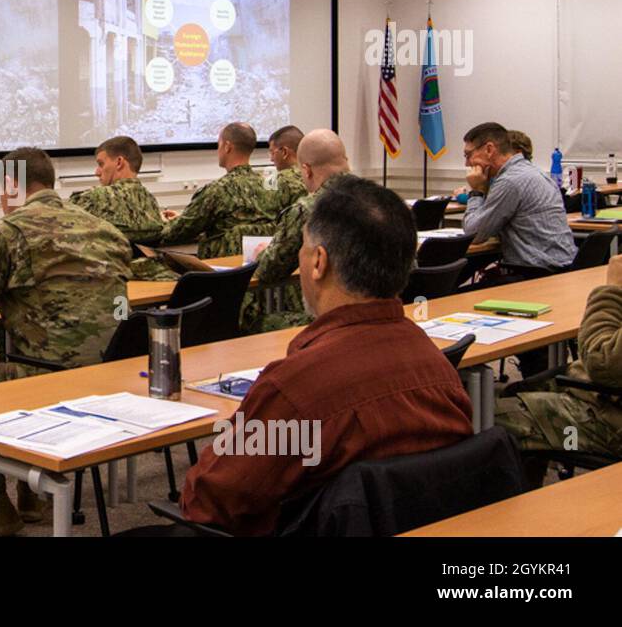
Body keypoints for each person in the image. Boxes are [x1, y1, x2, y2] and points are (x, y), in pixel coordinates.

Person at [178, 176, 473, 536]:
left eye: (302, 250)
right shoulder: (437, 365)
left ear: (318, 262)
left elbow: (209, 504)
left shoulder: (295, 387)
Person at [0, 147, 132, 536]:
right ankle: (32, 490)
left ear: (10, 185)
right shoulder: (106, 229)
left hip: (46, 383)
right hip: (111, 382)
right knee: (14, 345)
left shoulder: (9, 232)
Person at [496, 252, 622, 487]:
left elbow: (601, 361)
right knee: (519, 388)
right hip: (596, 387)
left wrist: (613, 290)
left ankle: (504, 518)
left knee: (485, 416)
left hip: (610, 416)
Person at [240, 129, 352, 333]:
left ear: (307, 170)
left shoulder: (308, 209)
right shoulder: (381, 201)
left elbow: (269, 270)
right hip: (383, 316)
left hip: (334, 320)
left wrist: (263, 252)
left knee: (253, 322)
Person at [456, 122, 576, 281]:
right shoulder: (532, 172)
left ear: (489, 149)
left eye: (468, 155)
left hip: (536, 275)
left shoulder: (510, 181)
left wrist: (476, 191)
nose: (467, 164)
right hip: (561, 268)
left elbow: (474, 234)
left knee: (457, 296)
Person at [158, 122, 279, 259]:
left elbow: (179, 231)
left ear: (227, 147)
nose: (218, 150)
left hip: (224, 270)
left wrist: (163, 222)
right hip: (262, 264)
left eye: (218, 145)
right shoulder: (270, 186)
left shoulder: (217, 190)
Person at [68, 135, 164, 244]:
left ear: (119, 162)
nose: (97, 172)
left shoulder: (93, 199)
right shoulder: (151, 202)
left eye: (101, 164)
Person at [267, 124, 306, 212]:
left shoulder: (280, 180)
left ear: (284, 152)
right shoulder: (313, 174)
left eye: (272, 153)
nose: (271, 159)